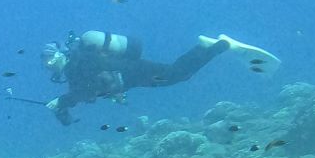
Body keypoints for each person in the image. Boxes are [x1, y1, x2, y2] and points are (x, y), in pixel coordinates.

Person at [42, 29, 279, 124]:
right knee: (176, 73)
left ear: (61, 54)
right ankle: (207, 47)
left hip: (131, 71)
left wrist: (63, 102)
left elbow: (86, 91)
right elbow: (88, 93)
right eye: (46, 63)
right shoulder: (74, 68)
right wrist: (63, 110)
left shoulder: (79, 61)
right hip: (130, 76)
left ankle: (222, 44)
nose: (50, 65)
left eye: (51, 59)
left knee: (178, 74)